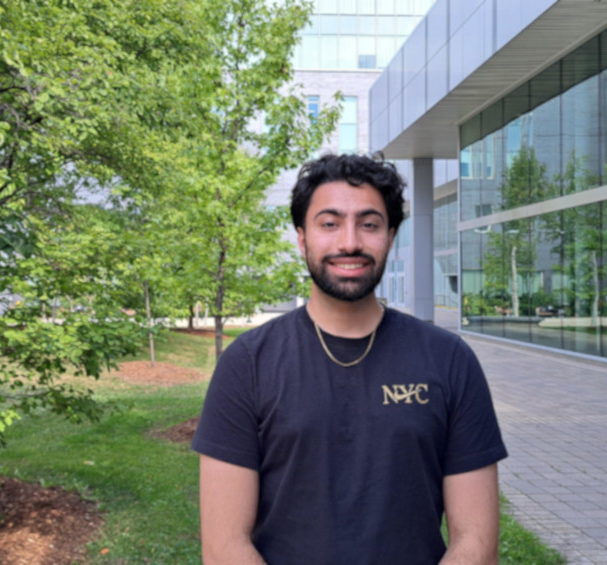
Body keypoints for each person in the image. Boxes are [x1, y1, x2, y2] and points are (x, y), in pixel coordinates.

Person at [191, 153, 508, 564]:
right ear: (302, 237)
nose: (350, 242)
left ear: (391, 237)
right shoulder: (247, 364)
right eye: (329, 223)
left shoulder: (449, 361)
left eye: (369, 224)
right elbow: (224, 547)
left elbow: (476, 542)